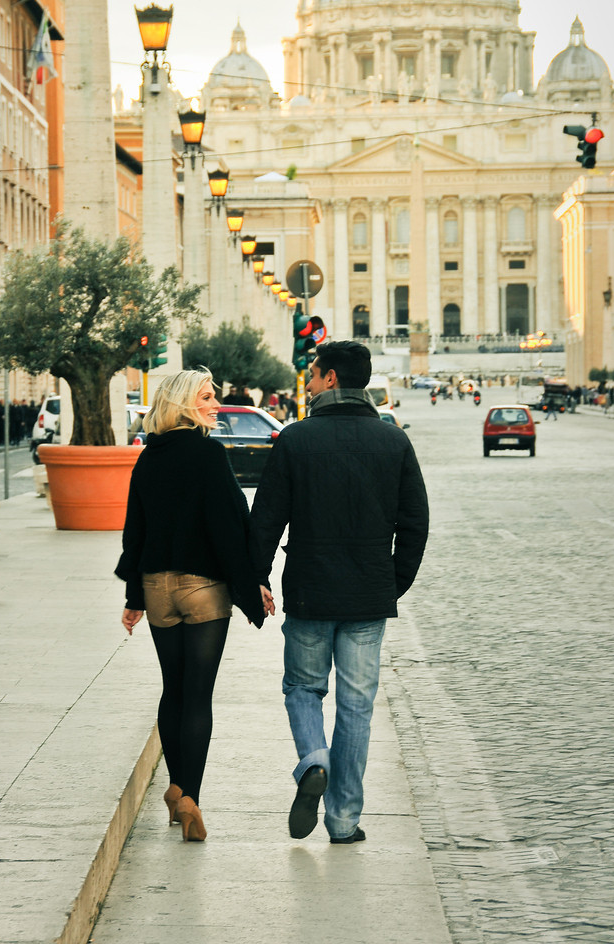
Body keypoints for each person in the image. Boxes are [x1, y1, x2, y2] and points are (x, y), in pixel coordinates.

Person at [249, 340, 429, 845]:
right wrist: (394, 581)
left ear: (330, 379)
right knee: (356, 706)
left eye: (312, 371)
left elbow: (265, 520)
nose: (307, 379)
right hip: (369, 596)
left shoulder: (295, 439)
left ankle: (313, 759)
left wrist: (256, 578)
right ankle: (344, 820)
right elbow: (416, 522)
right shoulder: (393, 442)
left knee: (303, 688)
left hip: (309, 590)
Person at [114, 368, 274, 843]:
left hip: (158, 587)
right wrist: (253, 586)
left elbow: (134, 532)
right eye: (206, 397)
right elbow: (230, 527)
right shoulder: (208, 454)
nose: (215, 405)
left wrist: (133, 598)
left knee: (174, 690)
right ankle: (189, 799)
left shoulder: (148, 459)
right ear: (184, 404)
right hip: (204, 589)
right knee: (199, 695)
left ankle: (176, 786)